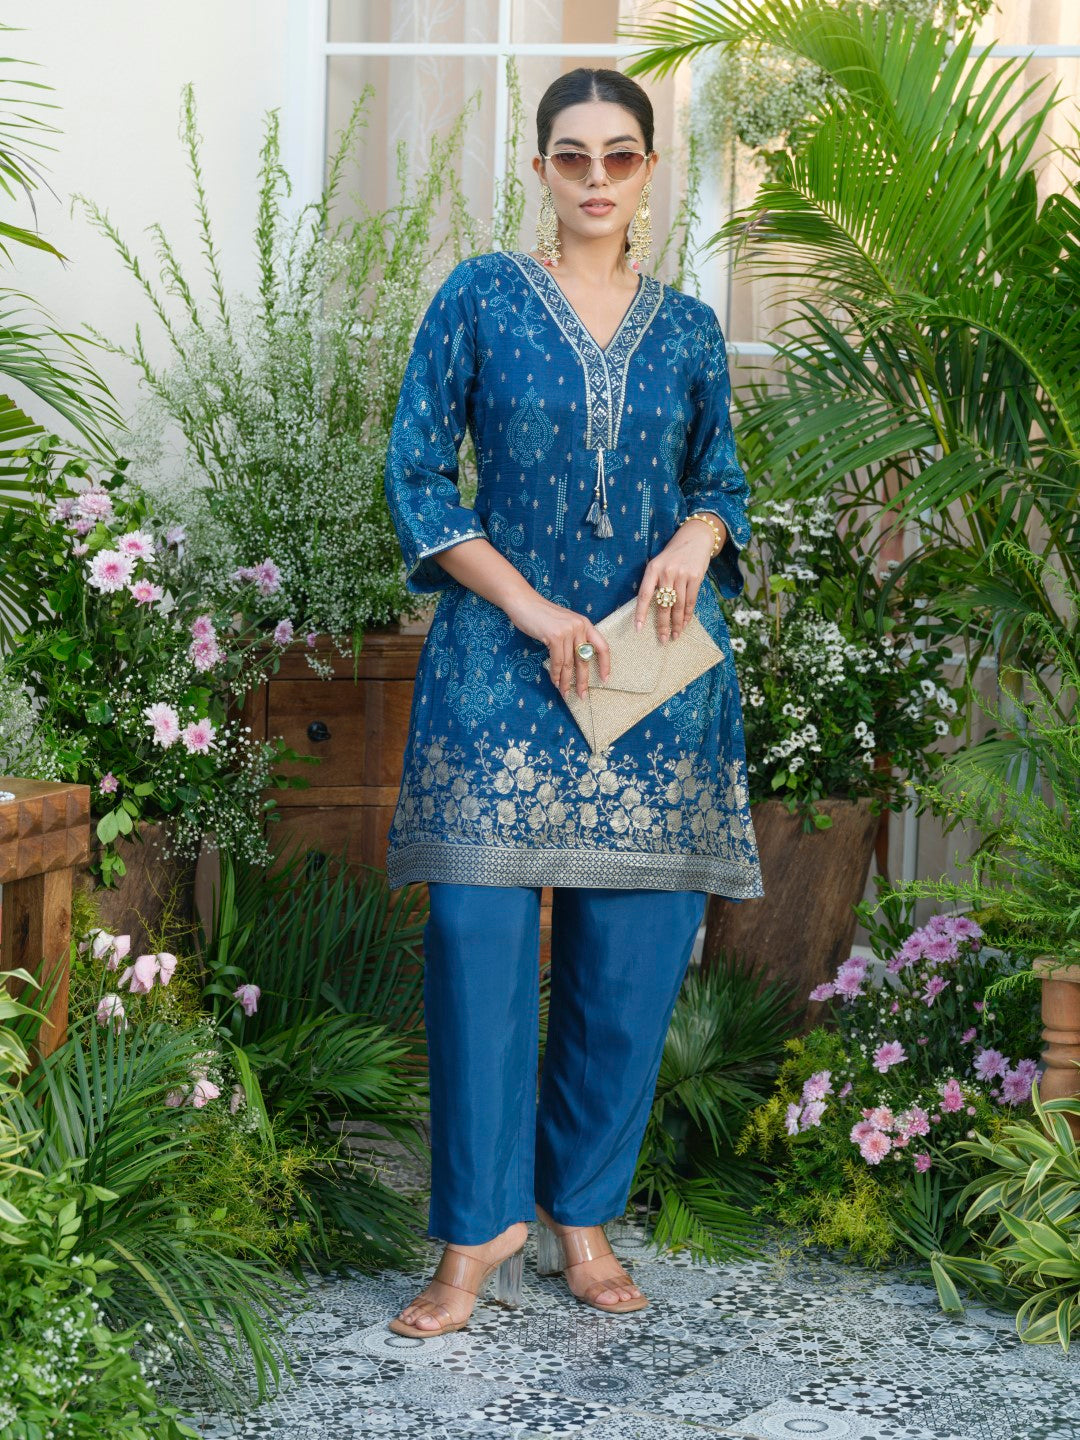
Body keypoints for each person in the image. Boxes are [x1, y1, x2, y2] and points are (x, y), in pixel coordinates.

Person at [382, 66, 763, 1338]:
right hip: (500, 665)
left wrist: (695, 543)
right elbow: (418, 477)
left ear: (649, 169)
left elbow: (721, 480)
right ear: (540, 167)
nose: (596, 178)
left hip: (646, 681)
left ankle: (580, 1216)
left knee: (630, 961)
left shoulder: (689, 328)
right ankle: (475, 1230)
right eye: (571, 156)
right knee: (475, 941)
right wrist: (535, 611)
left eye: (620, 156)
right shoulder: (481, 296)